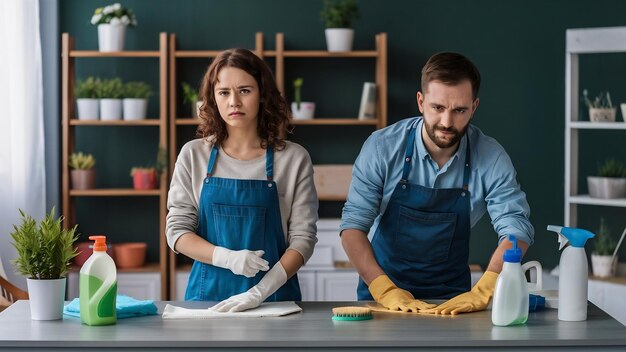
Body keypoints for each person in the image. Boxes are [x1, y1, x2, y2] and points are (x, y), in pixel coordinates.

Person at [340, 52, 534, 315]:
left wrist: (485, 288)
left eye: (459, 110)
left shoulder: (491, 156)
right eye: (438, 108)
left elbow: (516, 228)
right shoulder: (382, 147)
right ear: (421, 102)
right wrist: (384, 289)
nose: (446, 122)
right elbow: (353, 226)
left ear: (474, 107)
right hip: (384, 294)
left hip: (452, 300)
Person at [166, 48, 318, 312]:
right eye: (224, 92)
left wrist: (260, 291)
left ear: (262, 95)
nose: (234, 102)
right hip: (208, 302)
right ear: (213, 98)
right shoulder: (193, 155)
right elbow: (177, 232)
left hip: (275, 301)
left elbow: (303, 239)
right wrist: (226, 258)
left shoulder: (294, 159)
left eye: (245, 90)